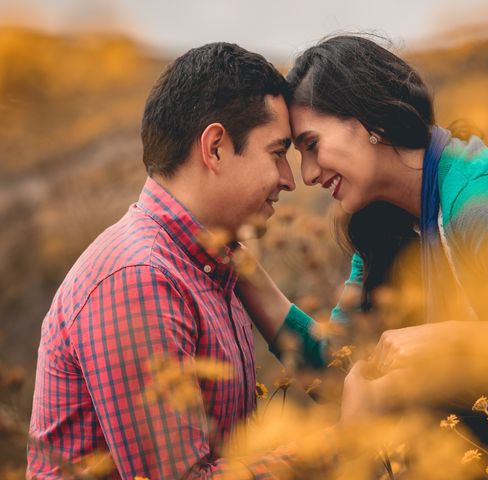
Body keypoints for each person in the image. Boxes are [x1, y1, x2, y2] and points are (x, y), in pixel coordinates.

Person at [239, 35, 488, 478]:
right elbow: (339, 368)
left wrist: (450, 339)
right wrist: (244, 272)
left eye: (312, 146)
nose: (309, 173)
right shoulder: (389, 227)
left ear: (370, 119)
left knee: (404, 385)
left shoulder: (482, 202)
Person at [27, 42, 321, 479]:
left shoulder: (206, 263)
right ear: (216, 147)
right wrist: (331, 451)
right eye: (278, 153)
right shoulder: (138, 277)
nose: (288, 179)